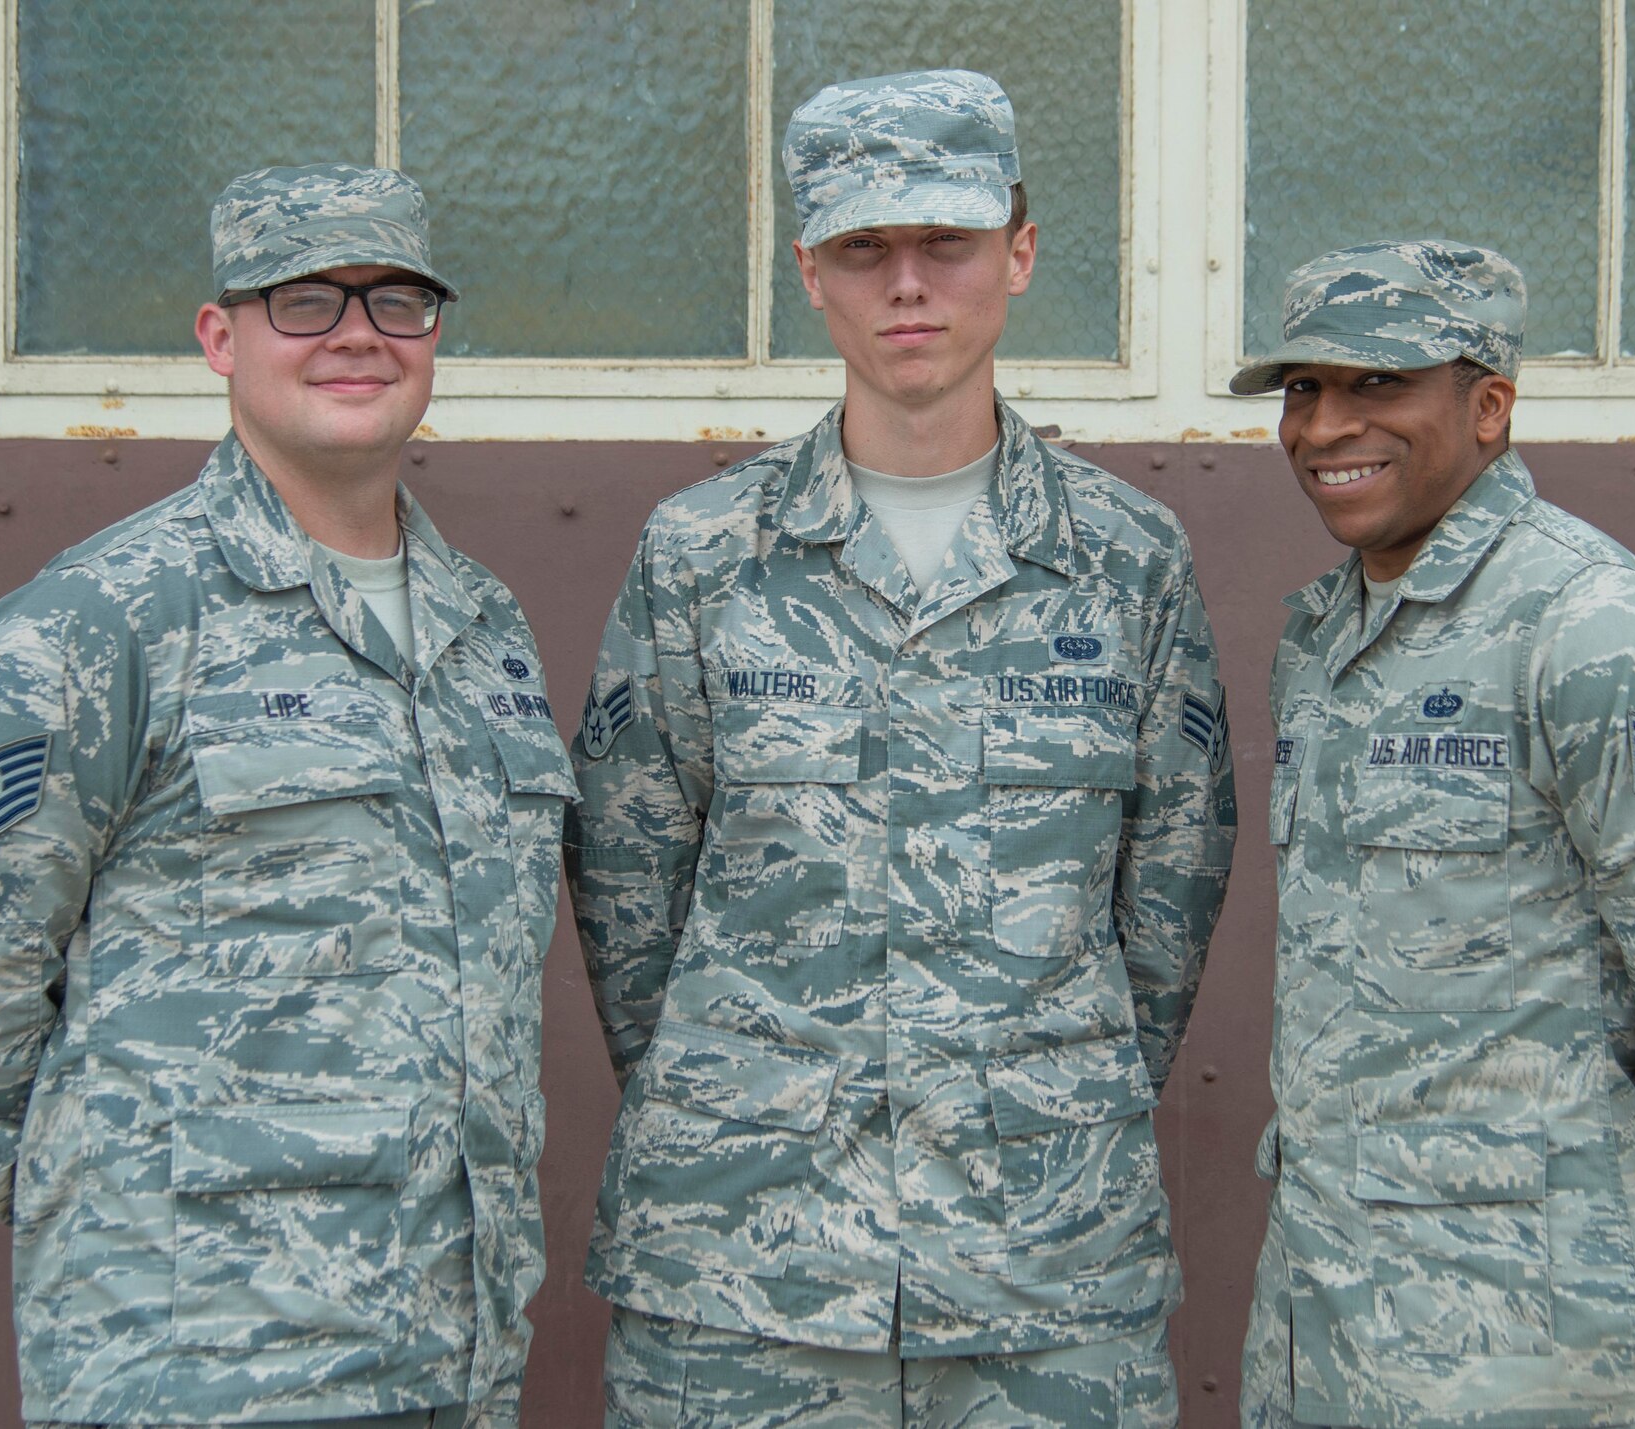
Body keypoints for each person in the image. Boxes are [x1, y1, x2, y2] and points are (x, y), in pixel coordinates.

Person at [566, 69, 1235, 1427]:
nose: (909, 286)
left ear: (1022, 253)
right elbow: (630, 894)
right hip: (747, 1276)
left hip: (1048, 1274)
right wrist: (761, 1101)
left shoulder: (1126, 562)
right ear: (810, 272)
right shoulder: (702, 557)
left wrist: (1029, 1095)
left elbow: (1167, 901)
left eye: (948, 243)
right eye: (866, 248)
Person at [0, 164, 576, 1429]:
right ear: (220, 337)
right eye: (303, 299)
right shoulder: (103, 620)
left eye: (397, 299)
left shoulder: (486, 632)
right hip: (194, 1355)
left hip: (451, 1354)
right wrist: (107, 1192)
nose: (357, 331)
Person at [1231, 239, 1635, 1429]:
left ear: (1488, 405)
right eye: (1303, 389)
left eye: (1377, 384)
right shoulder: (1329, 635)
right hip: (1325, 1298)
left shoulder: (1591, 627)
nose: (1324, 426)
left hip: (1532, 1324)